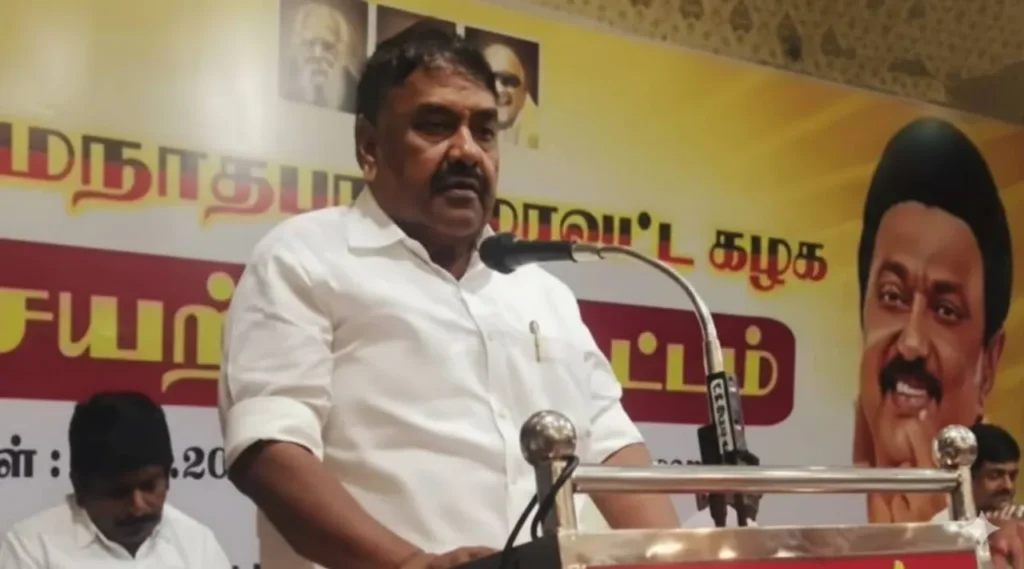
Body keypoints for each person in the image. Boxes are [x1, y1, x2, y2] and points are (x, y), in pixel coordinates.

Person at [219, 24, 679, 569]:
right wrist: (413, 564)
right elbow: (269, 451)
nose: (466, 151)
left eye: (484, 131)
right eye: (435, 126)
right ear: (370, 146)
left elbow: (611, 450)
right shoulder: (305, 257)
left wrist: (678, 558)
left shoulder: (543, 293)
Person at [851, 117, 1014, 524]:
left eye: (946, 310)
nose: (911, 343)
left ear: (988, 367)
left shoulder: (1004, 542)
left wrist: (932, 536)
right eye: (892, 296)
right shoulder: (795, 514)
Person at [0, 391, 230, 568]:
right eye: (118, 492)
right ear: (80, 487)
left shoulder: (197, 545)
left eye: (149, 487)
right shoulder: (32, 549)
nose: (138, 507)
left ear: (168, 478)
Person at [933, 423, 1020, 521]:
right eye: (995, 476)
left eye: (1012, 476)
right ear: (968, 477)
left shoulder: (1018, 522)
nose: (1008, 486)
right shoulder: (944, 526)